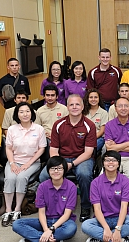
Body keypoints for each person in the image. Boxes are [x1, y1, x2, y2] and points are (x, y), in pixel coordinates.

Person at [39, 94, 97, 222]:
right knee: (43, 176)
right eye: (71, 104)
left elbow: (88, 152)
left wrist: (72, 165)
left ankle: (86, 206)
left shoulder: (90, 125)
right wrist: (60, 165)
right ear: (67, 107)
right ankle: (52, 208)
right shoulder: (58, 124)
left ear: (82, 107)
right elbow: (53, 150)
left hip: (82, 158)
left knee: (84, 174)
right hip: (61, 158)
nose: (74, 107)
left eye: (77, 104)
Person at [12, 156, 78, 242]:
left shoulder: (72, 187)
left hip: (63, 221)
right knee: (17, 224)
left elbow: (67, 214)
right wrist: (46, 230)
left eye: (59, 168)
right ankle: (49, 238)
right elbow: (41, 212)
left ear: (64, 170)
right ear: (48, 171)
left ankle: (37, 238)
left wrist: (50, 230)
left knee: (71, 228)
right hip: (46, 220)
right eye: (53, 168)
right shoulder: (42, 187)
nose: (56, 171)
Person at [1, 102, 46, 227]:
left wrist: (28, 164)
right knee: (9, 179)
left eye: (27, 111)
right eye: (21, 112)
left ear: (32, 113)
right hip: (14, 161)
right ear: (17, 114)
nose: (25, 114)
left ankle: (17, 209)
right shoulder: (11, 129)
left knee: (21, 178)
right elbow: (8, 148)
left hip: (32, 162)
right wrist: (12, 163)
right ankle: (8, 210)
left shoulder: (39, 129)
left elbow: (42, 148)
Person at [82, 151, 129, 242]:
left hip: (120, 217)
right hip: (102, 218)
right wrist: (106, 228)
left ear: (118, 164)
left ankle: (102, 238)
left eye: (114, 160)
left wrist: (118, 229)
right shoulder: (95, 182)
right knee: (85, 225)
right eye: (107, 160)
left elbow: (124, 207)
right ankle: (120, 239)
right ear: (103, 163)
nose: (110, 162)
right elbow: (97, 209)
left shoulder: (125, 181)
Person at [104, 97, 129, 218]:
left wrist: (117, 146)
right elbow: (109, 149)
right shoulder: (109, 125)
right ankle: (105, 205)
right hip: (113, 158)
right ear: (115, 109)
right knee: (102, 176)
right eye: (120, 106)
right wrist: (127, 143)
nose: (123, 108)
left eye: (126, 106)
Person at [83, 88, 109, 156]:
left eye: (96, 97)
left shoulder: (103, 112)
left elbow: (102, 131)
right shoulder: (83, 112)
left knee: (91, 148)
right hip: (83, 137)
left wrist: (90, 139)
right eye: (91, 97)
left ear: (99, 99)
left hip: (98, 137)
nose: (93, 99)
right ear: (87, 99)